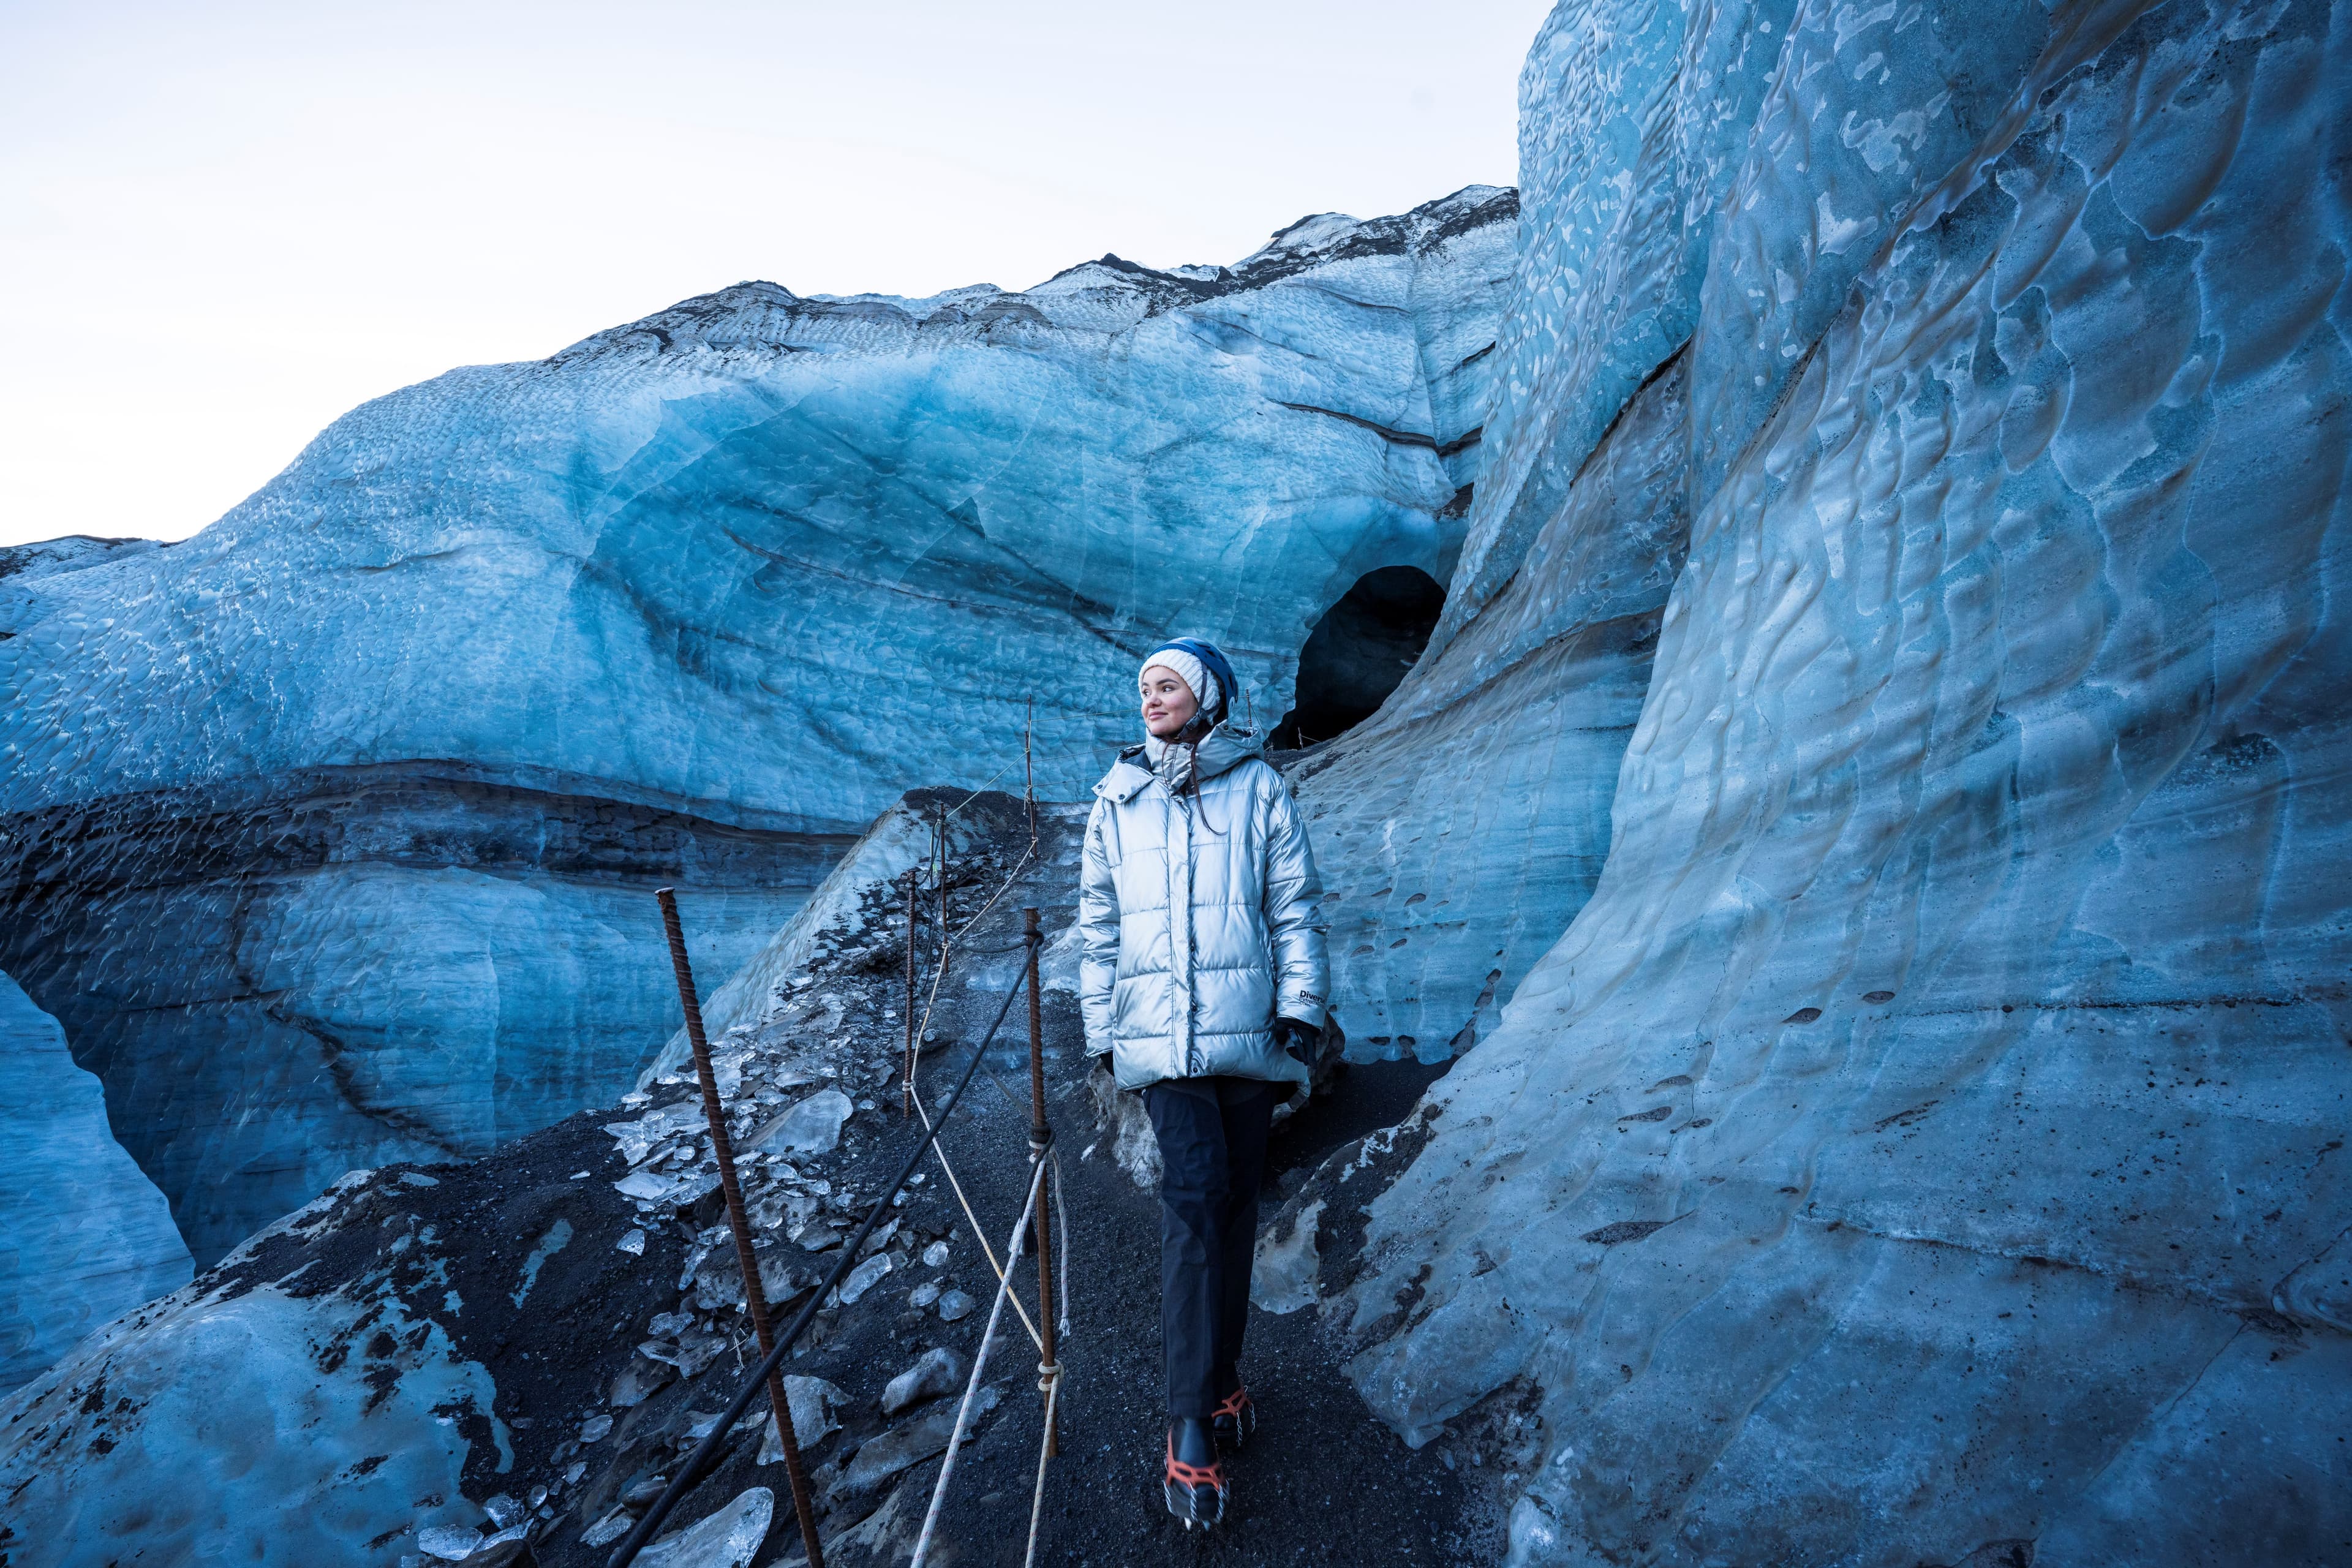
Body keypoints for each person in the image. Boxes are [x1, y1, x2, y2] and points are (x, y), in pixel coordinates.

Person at [1077, 636, 1330, 1529]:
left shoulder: (1259, 788)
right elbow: (1099, 925)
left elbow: (1292, 904)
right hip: (1160, 1039)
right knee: (1193, 1202)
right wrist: (1100, 1030)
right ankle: (1189, 1416)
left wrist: (1302, 1005)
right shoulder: (1117, 800)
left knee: (1234, 1207)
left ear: (1207, 697)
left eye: (1168, 685)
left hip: (1248, 1033)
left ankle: (1222, 1379)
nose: (1151, 698)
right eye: (1144, 686)